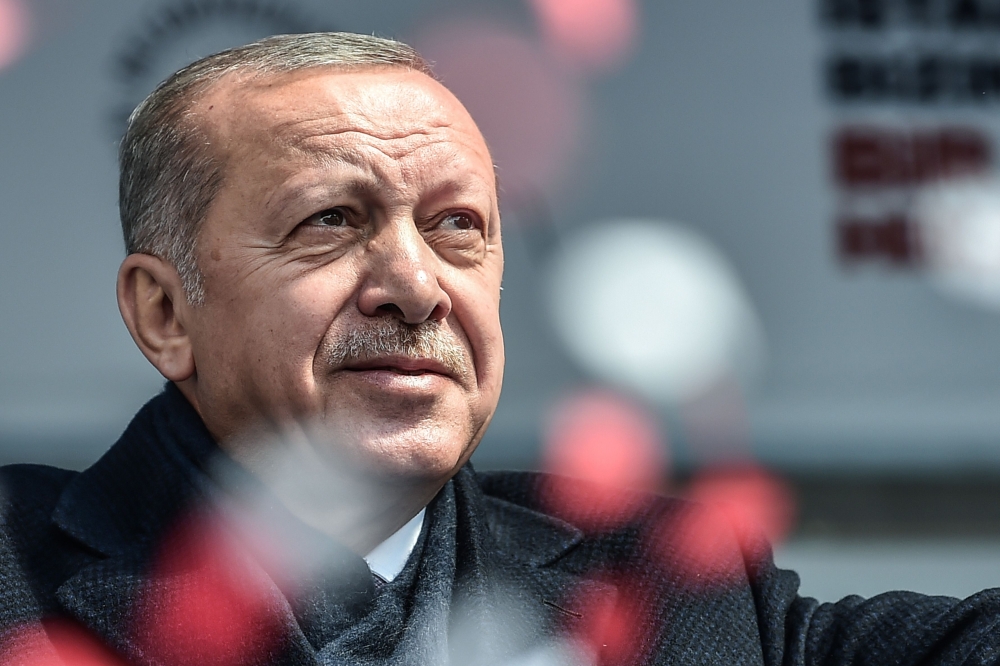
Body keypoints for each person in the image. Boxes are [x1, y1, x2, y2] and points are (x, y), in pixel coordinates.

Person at [1, 31, 999, 666]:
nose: (416, 284)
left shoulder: (672, 586)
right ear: (165, 313)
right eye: (333, 221)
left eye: (458, 228)